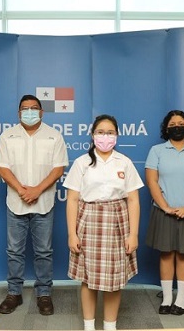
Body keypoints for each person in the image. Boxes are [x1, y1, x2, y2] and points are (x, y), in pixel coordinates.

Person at [63, 114, 143, 331]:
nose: (105, 137)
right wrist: (72, 234)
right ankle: (89, 326)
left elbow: (134, 200)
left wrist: (133, 234)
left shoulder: (124, 162)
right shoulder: (82, 162)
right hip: (88, 221)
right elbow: (72, 200)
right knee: (88, 279)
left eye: (110, 132)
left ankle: (110, 326)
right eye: (100, 132)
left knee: (114, 280)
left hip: (118, 223)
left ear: (116, 135)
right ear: (92, 135)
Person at [0, 94, 68, 315]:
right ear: (18, 113)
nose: (29, 111)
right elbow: (2, 167)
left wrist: (36, 190)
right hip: (15, 202)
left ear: (42, 112)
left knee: (44, 251)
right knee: (14, 251)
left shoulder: (54, 136)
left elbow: (58, 169)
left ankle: (44, 294)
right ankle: (14, 292)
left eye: (34, 108)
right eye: (25, 108)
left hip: (44, 202)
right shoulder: (8, 136)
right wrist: (21, 189)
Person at [144, 110, 184, 316]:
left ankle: (180, 300)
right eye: (172, 124)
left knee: (183, 255)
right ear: (166, 128)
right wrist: (164, 206)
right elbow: (152, 181)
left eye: (181, 123)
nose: (177, 126)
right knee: (166, 254)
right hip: (163, 211)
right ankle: (167, 298)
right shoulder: (157, 151)